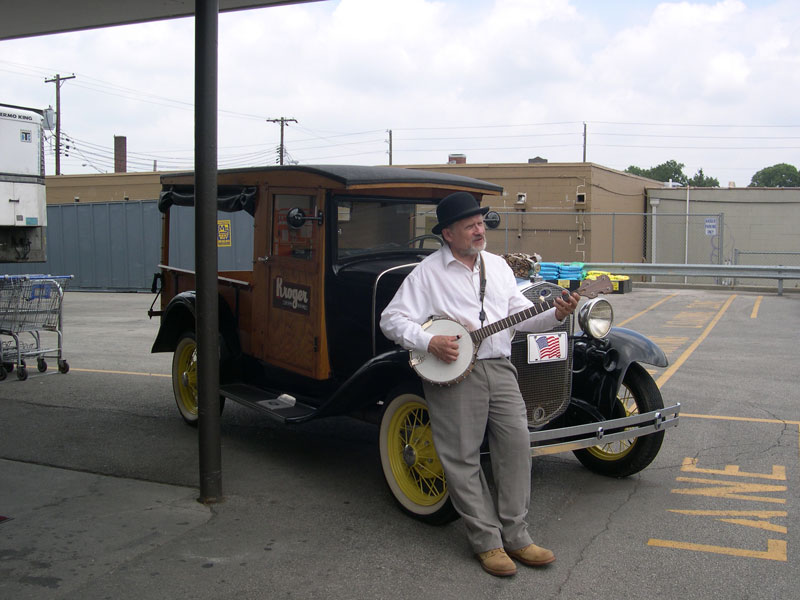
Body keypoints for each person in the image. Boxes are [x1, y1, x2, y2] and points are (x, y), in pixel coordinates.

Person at [380, 191, 580, 577]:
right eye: (470, 225)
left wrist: (555, 313)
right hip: (453, 373)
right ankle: (487, 543)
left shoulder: (499, 268)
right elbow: (392, 320)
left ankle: (517, 537)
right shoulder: (427, 273)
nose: (479, 230)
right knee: (461, 457)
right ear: (448, 234)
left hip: (499, 366)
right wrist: (429, 341)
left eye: (481, 223)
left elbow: (521, 318)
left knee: (517, 445)